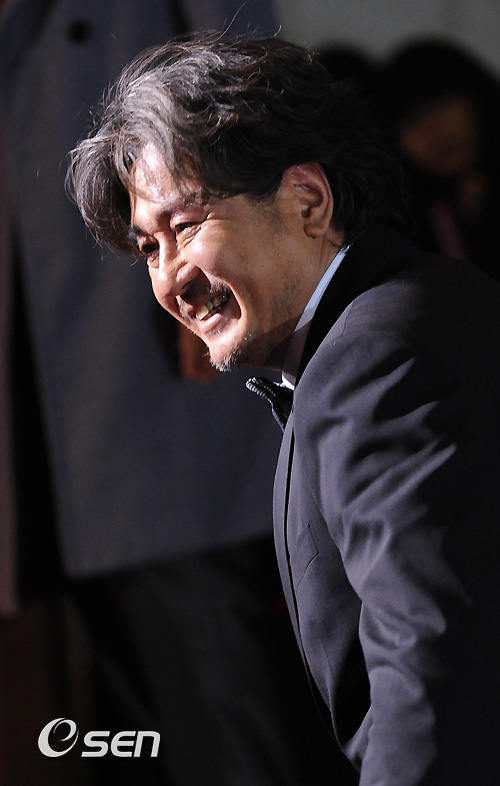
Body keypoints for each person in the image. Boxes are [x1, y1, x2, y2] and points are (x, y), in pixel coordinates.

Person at [69, 32, 500, 785]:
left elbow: (431, 673)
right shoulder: (390, 326)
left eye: (186, 226)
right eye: (148, 249)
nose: (170, 279)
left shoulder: (377, 358)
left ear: (308, 200)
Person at [0, 6, 343, 786]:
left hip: (142, 302)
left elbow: (242, 63)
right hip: (46, 306)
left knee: (193, 629)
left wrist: (215, 263)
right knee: (122, 671)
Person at [376, 38, 500, 281]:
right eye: (412, 122)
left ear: (477, 97)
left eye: (440, 106)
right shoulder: (407, 224)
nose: (432, 131)